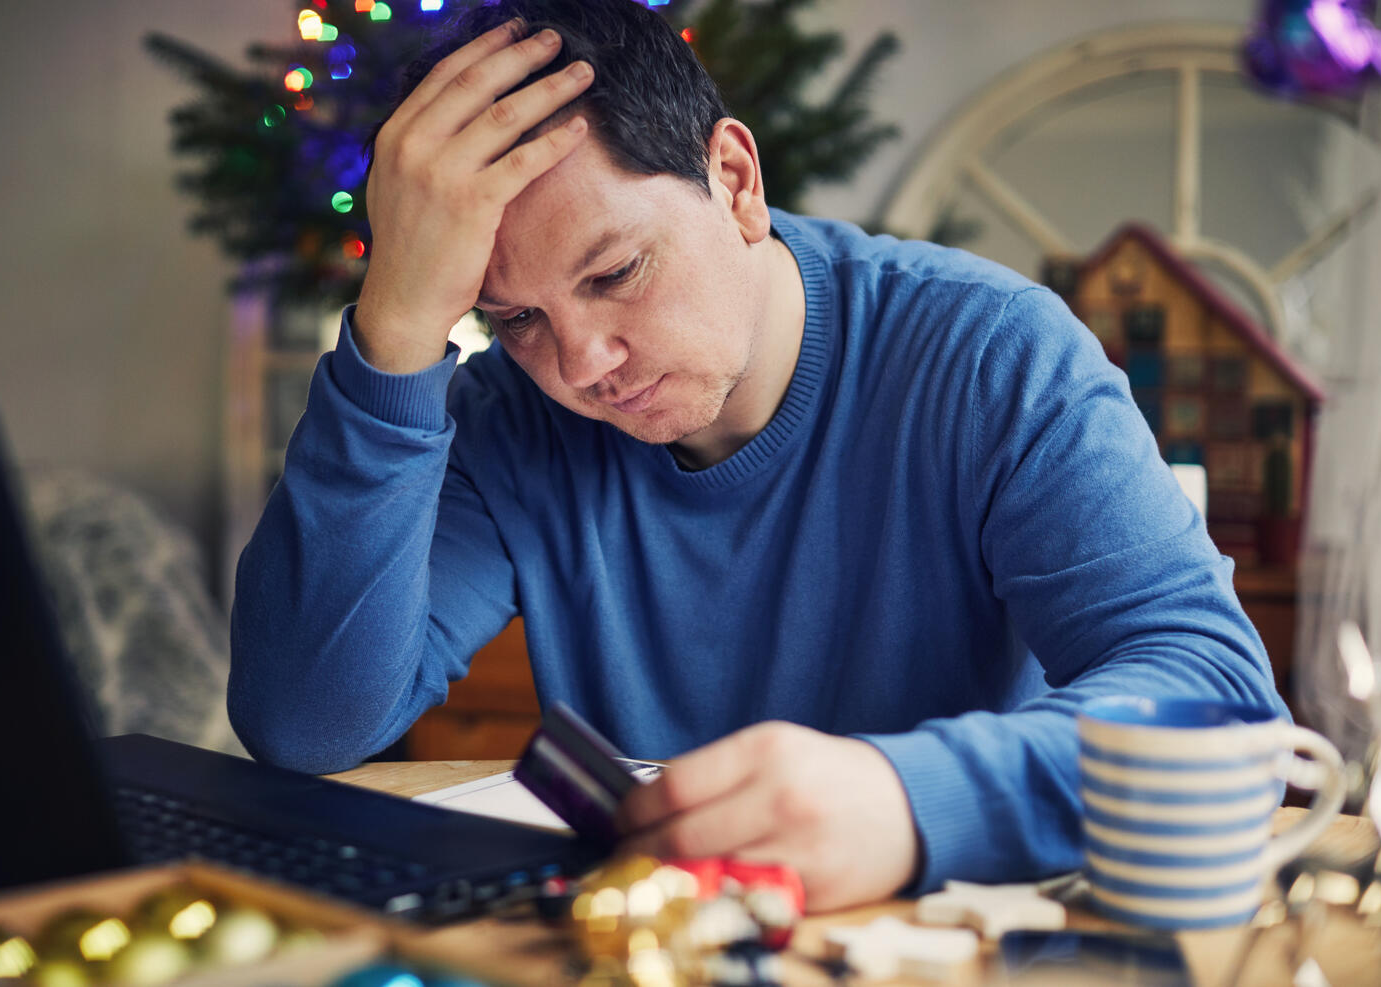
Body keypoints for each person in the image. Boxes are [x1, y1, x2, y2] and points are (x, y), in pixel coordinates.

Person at [229, 0, 1284, 912]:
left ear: (733, 178)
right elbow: (308, 722)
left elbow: (1219, 702)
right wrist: (398, 329)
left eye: (616, 273)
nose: (584, 365)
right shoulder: (510, 418)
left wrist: (903, 799)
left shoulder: (990, 354)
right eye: (514, 320)